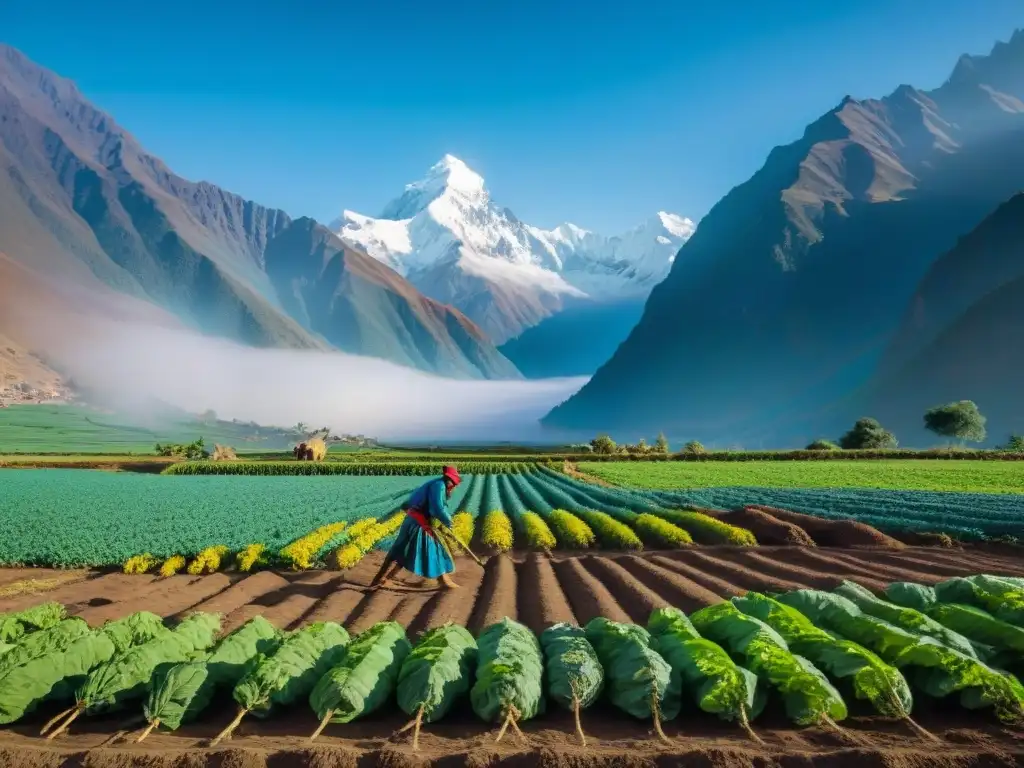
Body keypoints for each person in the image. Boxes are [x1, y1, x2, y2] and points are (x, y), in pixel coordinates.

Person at [369, 465, 462, 590]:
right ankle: (444, 580)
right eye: (454, 485)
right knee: (432, 547)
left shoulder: (435, 483)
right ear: (450, 481)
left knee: (401, 550)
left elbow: (411, 502)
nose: (453, 488)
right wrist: (449, 522)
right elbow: (438, 508)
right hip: (418, 522)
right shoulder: (439, 486)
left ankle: (381, 579)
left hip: (412, 519)